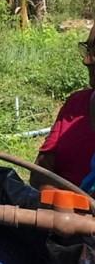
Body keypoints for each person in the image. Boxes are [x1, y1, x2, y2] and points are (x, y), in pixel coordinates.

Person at [30, 22, 95, 187]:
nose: (86, 60)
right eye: (88, 48)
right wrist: (62, 205)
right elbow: (40, 174)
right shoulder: (76, 104)